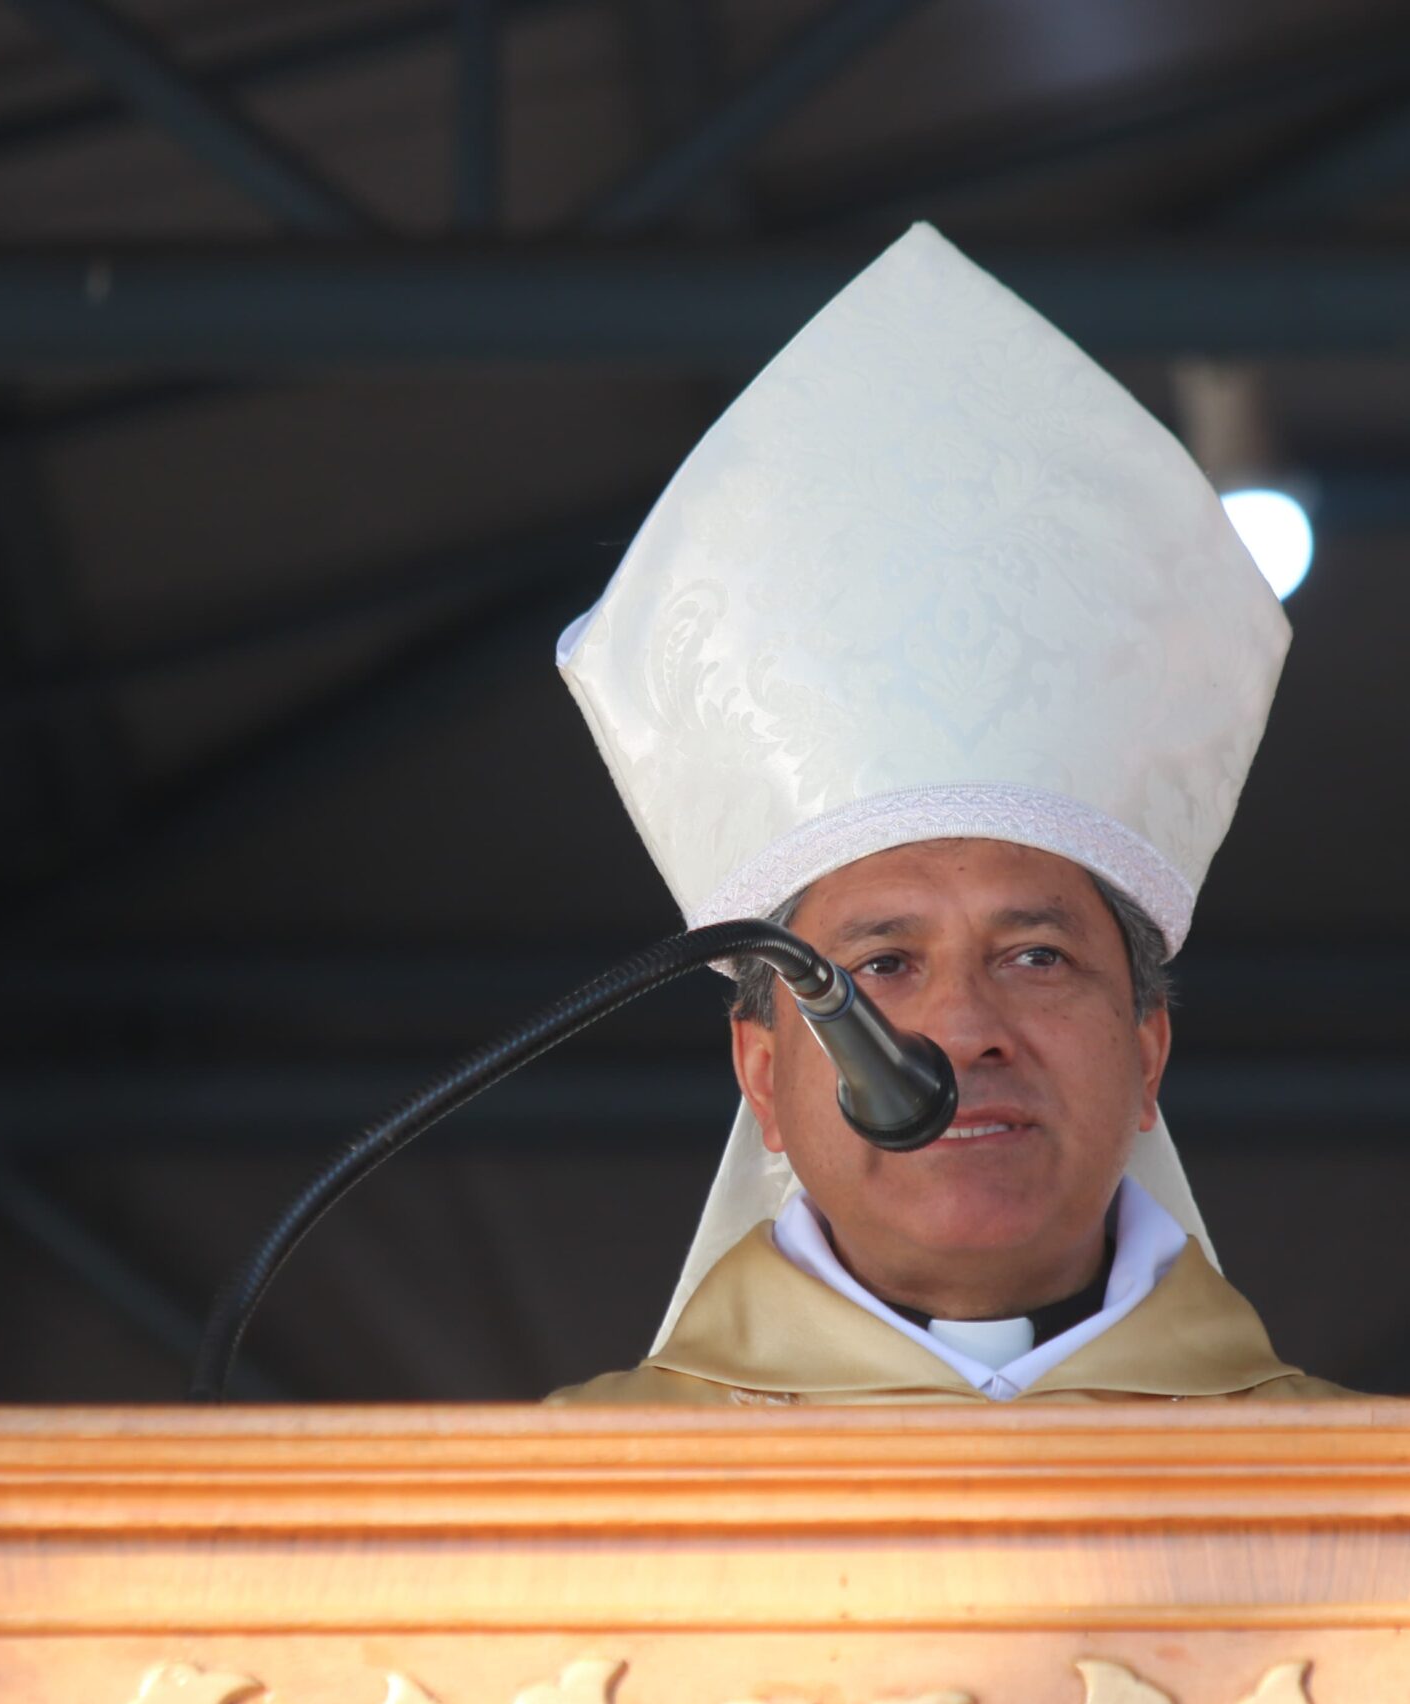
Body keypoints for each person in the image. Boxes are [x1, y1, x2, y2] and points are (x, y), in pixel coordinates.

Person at [545, 224, 1344, 1405]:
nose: (964, 1028)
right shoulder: (558, 1501)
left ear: (1146, 1053)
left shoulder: (1375, 1491)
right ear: (761, 1074)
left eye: (1036, 953)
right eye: (880, 963)